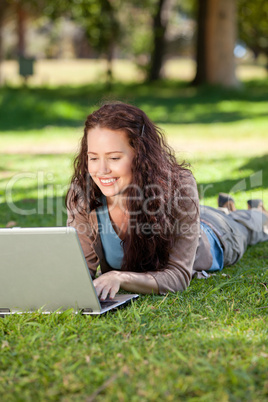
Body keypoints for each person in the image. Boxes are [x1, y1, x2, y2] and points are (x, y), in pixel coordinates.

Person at [66, 102, 268, 300]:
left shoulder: (178, 187)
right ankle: (225, 210)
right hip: (194, 216)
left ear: (140, 155)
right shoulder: (84, 194)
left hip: (216, 234)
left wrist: (121, 278)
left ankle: (256, 213)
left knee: (248, 225)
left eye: (114, 158)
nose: (101, 170)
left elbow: (178, 277)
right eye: (93, 158)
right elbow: (81, 270)